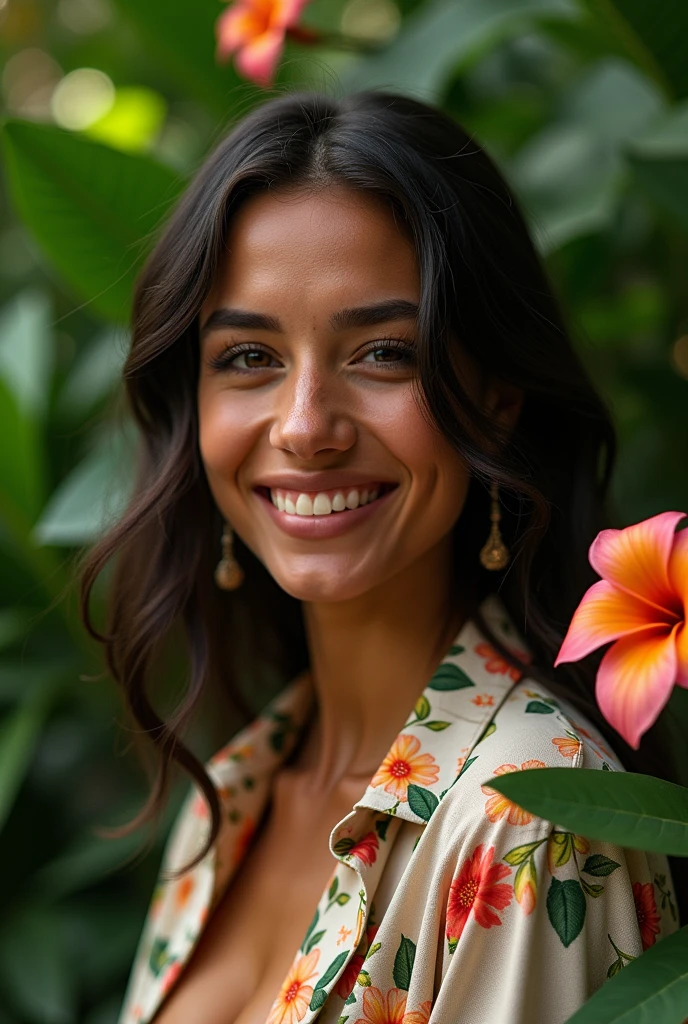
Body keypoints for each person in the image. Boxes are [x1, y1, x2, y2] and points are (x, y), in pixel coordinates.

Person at [81, 90, 679, 1024]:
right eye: (247, 357)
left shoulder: (529, 818)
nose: (306, 425)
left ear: (498, 395)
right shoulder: (229, 796)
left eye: (385, 353)